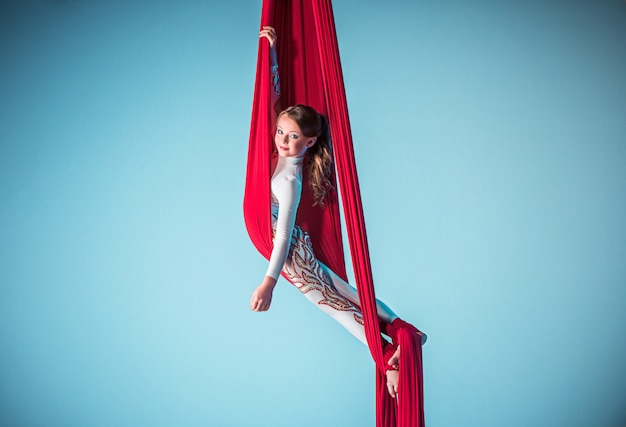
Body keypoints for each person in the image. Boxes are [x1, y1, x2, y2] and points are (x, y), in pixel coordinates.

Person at [249, 26, 423, 398]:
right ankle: (401, 329)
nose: (282, 140)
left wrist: (270, 281)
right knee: (342, 291)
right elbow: (274, 99)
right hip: (299, 248)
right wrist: (272, 54)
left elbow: (282, 235)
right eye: (281, 132)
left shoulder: (289, 183)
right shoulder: (282, 154)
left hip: (292, 253)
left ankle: (389, 355)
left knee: (336, 305)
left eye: (293, 136)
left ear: (310, 142)